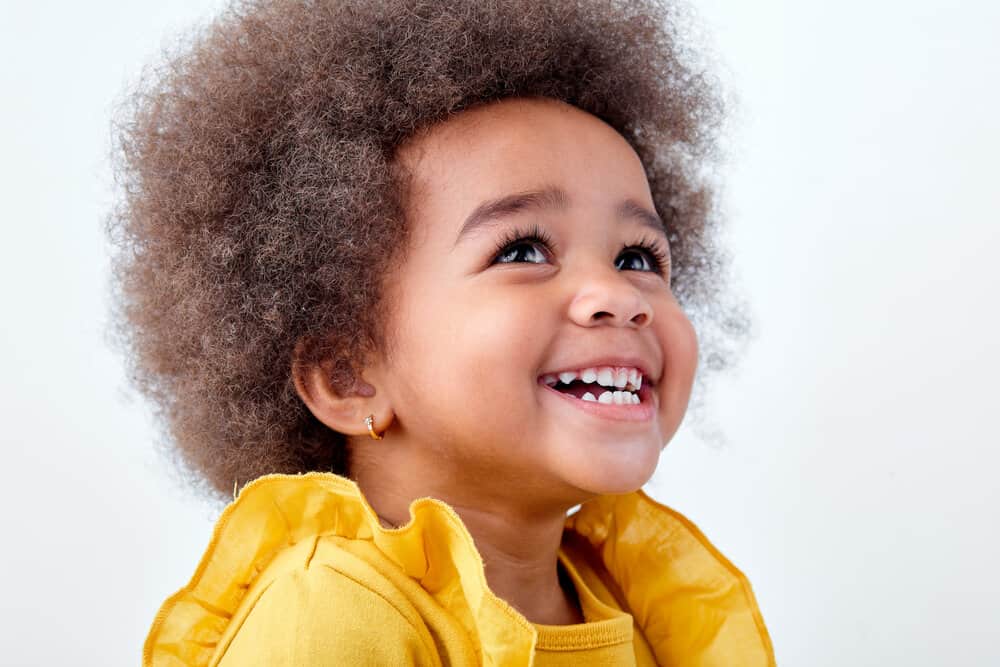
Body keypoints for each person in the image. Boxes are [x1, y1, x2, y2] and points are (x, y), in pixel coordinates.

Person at [112, 0, 774, 664]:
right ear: (349, 374)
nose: (619, 296)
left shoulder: (647, 609)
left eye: (638, 257)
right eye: (522, 251)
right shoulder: (333, 613)